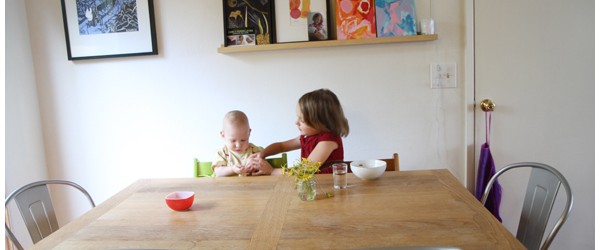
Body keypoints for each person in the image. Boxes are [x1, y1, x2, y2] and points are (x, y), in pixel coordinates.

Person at [257, 89, 349, 174]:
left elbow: (304, 170)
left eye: (302, 120)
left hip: (327, 186)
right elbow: (282, 146)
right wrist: (262, 153)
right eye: (298, 117)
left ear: (320, 122)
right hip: (312, 185)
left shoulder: (328, 141)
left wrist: (272, 171)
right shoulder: (308, 137)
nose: (296, 122)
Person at [213, 110, 270, 176]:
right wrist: (232, 169)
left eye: (243, 140)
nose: (238, 145)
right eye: (233, 141)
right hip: (228, 186)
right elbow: (218, 172)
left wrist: (254, 165)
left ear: (249, 133)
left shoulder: (255, 151)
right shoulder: (222, 153)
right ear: (223, 135)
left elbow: (264, 169)